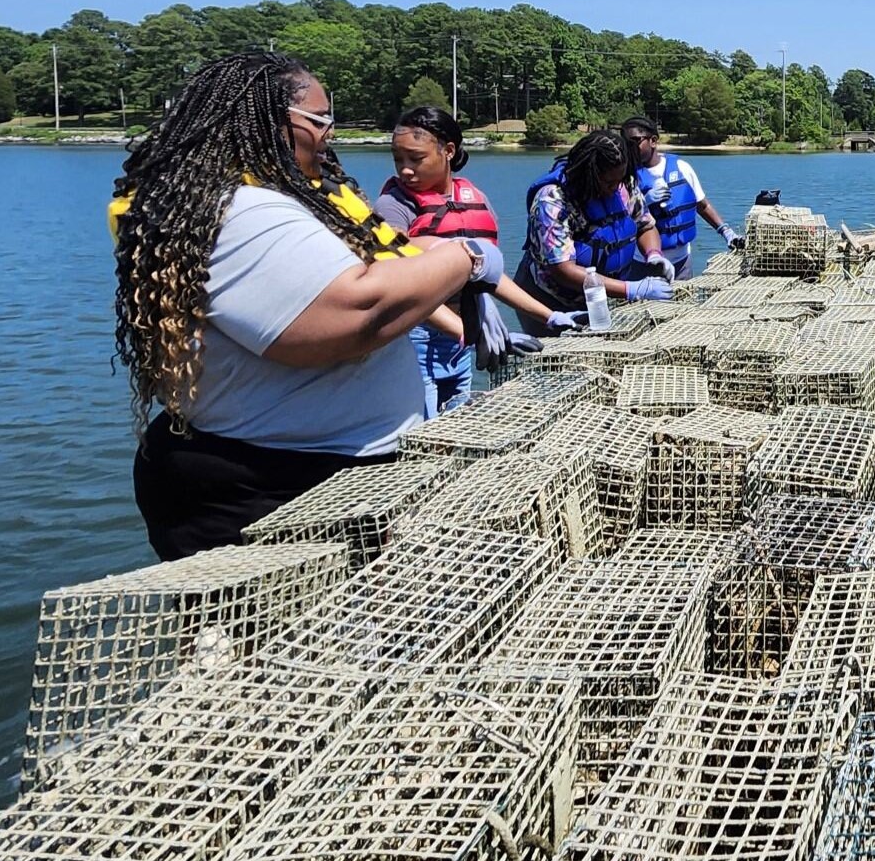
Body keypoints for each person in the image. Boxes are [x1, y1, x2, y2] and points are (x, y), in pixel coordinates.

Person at [112, 53, 500, 559]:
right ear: (266, 120)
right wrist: (466, 257)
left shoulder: (286, 198)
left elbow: (385, 264)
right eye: (320, 120)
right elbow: (358, 314)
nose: (330, 133)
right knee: (273, 639)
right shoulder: (242, 210)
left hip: (312, 476)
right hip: (261, 490)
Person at [374, 106, 574, 416]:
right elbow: (394, 270)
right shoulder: (394, 204)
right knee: (423, 434)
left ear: (448, 151)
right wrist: (469, 332)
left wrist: (550, 317)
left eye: (416, 159)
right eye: (398, 159)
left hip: (461, 343)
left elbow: (488, 275)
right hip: (415, 343)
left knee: (456, 424)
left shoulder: (473, 197)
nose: (405, 170)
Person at [512, 128, 673, 333]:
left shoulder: (624, 184)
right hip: (550, 300)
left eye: (619, 180)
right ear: (589, 174)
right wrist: (632, 290)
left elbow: (645, 226)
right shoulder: (552, 200)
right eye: (608, 182)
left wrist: (654, 255)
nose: (615, 188)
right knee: (557, 360)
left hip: (601, 296)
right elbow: (563, 270)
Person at [620, 116, 742, 280]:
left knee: (681, 303)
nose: (630, 147)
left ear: (653, 141)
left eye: (635, 141)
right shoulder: (624, 176)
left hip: (681, 262)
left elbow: (702, 205)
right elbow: (618, 221)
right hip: (643, 263)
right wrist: (644, 204)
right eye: (626, 143)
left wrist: (727, 232)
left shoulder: (682, 168)